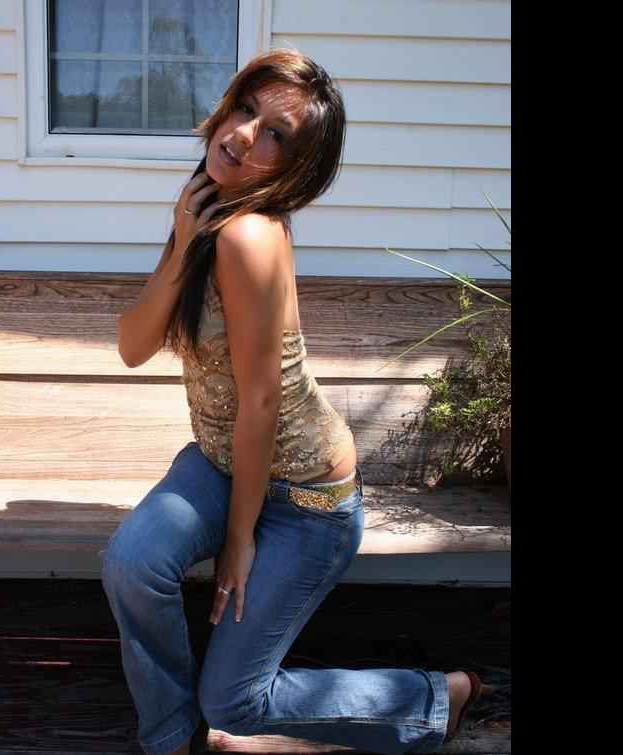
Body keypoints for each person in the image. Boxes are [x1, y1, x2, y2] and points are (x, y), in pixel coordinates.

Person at [100, 48, 492, 755]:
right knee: (133, 562)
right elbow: (133, 346)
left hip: (305, 500)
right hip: (224, 462)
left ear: (295, 167)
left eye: (275, 134)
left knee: (235, 699)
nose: (244, 134)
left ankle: (434, 698)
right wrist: (181, 242)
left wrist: (240, 540)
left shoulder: (249, 234)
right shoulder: (207, 207)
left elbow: (262, 403)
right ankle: (171, 734)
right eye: (246, 108)